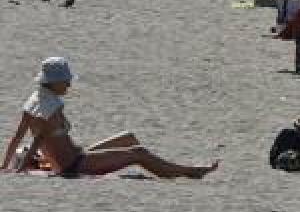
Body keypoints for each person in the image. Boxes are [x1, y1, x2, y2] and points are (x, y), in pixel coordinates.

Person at [2, 57, 217, 178]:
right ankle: (188, 172)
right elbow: (40, 138)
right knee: (138, 153)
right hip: (74, 165)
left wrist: (5, 165)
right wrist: (19, 170)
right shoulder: (52, 106)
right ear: (54, 82)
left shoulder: (34, 101)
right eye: (65, 81)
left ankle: (180, 170)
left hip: (77, 156)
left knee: (129, 137)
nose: (69, 85)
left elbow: (18, 137)